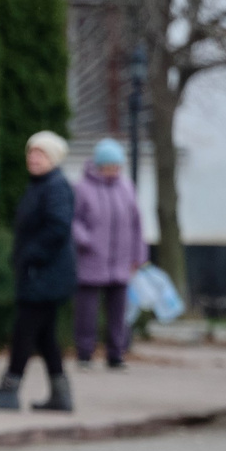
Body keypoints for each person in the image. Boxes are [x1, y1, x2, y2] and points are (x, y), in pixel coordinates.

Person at [0, 131, 78, 412]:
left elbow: (58, 227)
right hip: (40, 272)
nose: (33, 158)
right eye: (31, 152)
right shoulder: (40, 185)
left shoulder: (55, 186)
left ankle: (8, 392)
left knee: (24, 332)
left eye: (40, 153)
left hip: (45, 274)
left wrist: (31, 256)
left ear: (54, 158)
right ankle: (61, 395)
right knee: (45, 337)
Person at [72, 137, 147, 369]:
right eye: (110, 166)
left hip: (121, 261)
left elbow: (136, 223)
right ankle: (85, 353)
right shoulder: (82, 188)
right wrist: (86, 240)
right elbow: (72, 220)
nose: (114, 171)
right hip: (92, 258)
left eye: (117, 166)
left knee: (118, 312)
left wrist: (139, 255)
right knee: (87, 312)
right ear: (99, 165)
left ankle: (116, 354)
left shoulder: (126, 187)